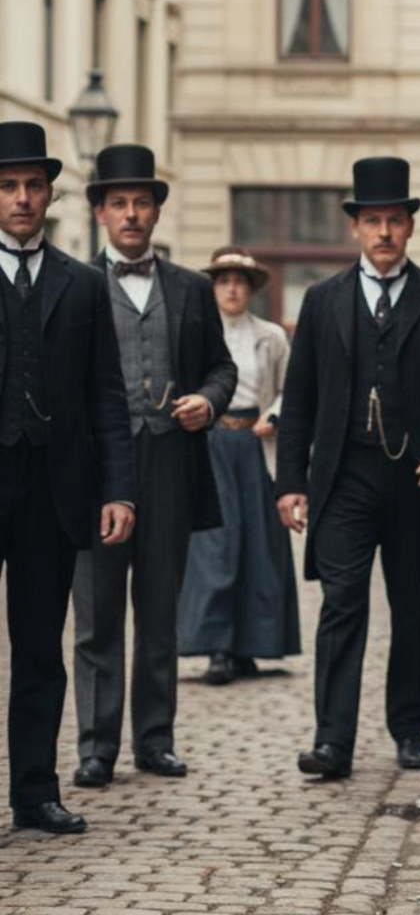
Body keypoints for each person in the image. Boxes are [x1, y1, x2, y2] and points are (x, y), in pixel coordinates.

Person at [276, 157, 420, 779]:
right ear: (356, 228)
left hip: (417, 480)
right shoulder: (322, 301)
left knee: (412, 608)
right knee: (342, 605)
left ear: (410, 227)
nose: (385, 232)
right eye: (374, 221)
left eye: (395, 220)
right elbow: (300, 399)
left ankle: (410, 729)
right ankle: (333, 741)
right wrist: (290, 482)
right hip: (344, 478)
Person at [71, 144, 237, 791]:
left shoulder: (193, 288)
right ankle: (95, 746)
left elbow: (223, 367)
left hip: (171, 457)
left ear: (157, 211)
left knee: (160, 610)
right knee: (97, 613)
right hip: (97, 469)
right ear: (100, 213)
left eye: (142, 202)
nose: (131, 214)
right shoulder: (78, 285)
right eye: (119, 204)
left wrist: (210, 400)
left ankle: (155, 739)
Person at [0, 122, 136, 833]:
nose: (22, 198)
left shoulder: (81, 285)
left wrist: (117, 489)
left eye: (32, 185)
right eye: (9, 185)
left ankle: (34, 792)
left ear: (51, 194)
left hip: (54, 492)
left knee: (39, 647)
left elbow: (108, 395)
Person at [178, 247, 300, 684]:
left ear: (251, 289)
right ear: (212, 287)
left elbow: (293, 387)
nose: (231, 288)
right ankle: (217, 646)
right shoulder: (195, 332)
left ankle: (254, 645)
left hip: (255, 443)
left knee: (259, 543)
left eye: (240, 281)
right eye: (223, 279)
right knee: (215, 542)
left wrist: (275, 415)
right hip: (211, 443)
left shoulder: (271, 336)